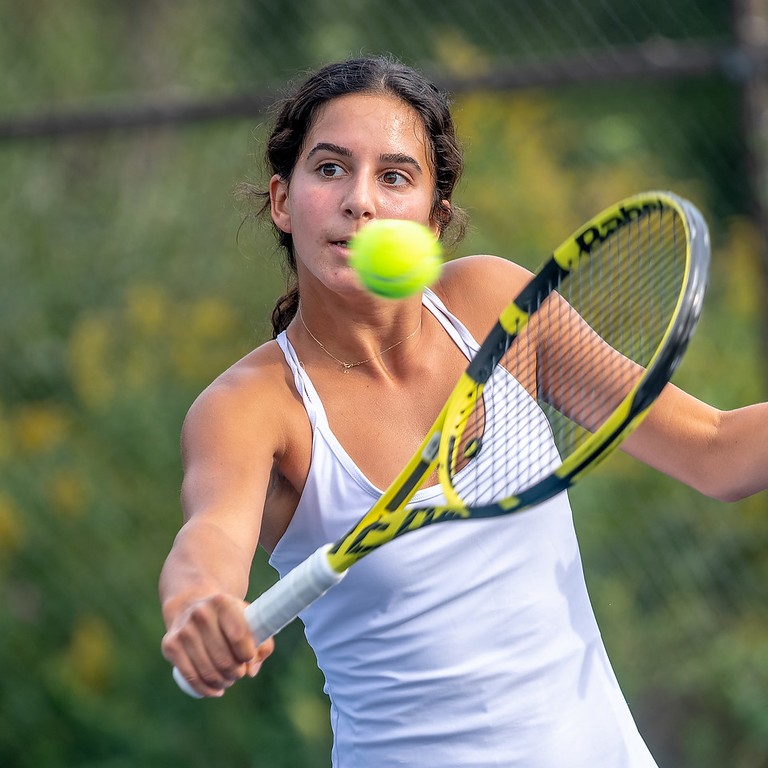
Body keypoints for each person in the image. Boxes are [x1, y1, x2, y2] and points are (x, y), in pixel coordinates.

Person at [159, 55, 768, 767]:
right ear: (282, 201)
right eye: (329, 169)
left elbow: (715, 451)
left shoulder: (498, 307)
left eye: (394, 176)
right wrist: (199, 608)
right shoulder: (249, 407)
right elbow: (210, 540)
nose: (361, 201)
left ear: (433, 217)